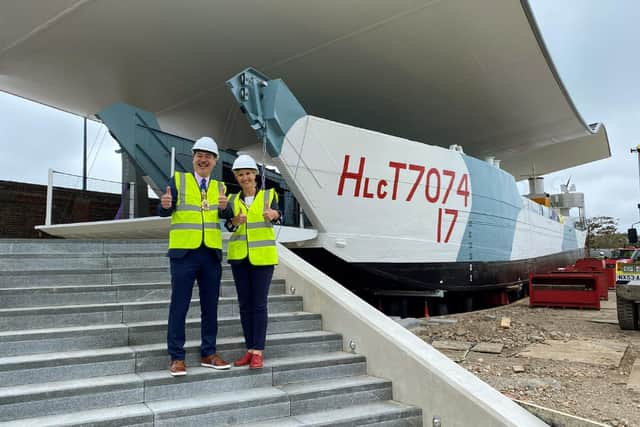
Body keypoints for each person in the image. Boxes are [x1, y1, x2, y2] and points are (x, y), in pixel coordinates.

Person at [158, 136, 233, 376]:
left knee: (210, 306)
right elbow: (164, 209)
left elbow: (228, 214)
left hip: (210, 254)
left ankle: (208, 353)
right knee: (179, 306)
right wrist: (166, 204)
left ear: (215, 161)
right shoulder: (179, 180)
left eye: (208, 156)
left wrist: (226, 208)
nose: (203, 160)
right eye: (199, 155)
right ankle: (176, 357)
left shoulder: (219, 187)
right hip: (184, 254)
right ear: (193, 158)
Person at [226, 154, 280, 369]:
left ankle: (258, 351)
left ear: (255, 175)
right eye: (241, 175)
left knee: (259, 304)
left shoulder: (269, 195)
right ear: (236, 178)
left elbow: (279, 215)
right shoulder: (231, 200)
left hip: (263, 259)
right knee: (245, 305)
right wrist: (234, 221)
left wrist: (274, 214)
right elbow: (228, 226)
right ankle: (249, 349)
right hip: (239, 258)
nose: (245, 178)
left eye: (248, 173)